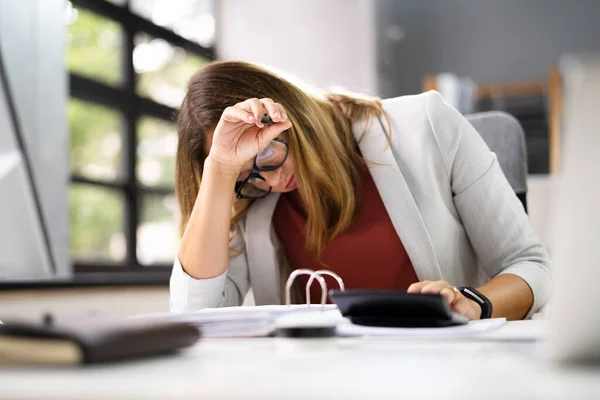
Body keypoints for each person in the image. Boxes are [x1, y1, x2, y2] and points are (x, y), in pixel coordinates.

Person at [170, 61, 551, 320]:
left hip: (440, 374)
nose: (267, 182)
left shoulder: (426, 127)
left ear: (287, 114)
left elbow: (531, 266)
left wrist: (473, 304)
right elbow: (194, 317)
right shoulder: (246, 200)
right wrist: (219, 172)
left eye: (265, 153)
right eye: (245, 176)